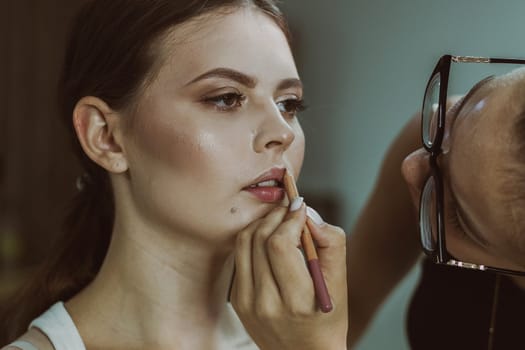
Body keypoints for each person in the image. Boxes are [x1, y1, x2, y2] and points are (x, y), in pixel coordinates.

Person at [0, 1, 348, 349]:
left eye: (288, 104)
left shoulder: (299, 337)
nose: (282, 132)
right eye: (226, 98)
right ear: (105, 136)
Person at [347, 56, 525, 349]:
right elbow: (351, 302)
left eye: (454, 208)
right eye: (459, 110)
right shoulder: (429, 135)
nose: (410, 166)